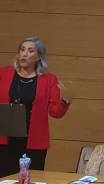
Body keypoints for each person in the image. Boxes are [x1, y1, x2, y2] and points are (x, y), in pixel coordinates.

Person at [0, 37, 71, 177]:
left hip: (33, 141)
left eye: (30, 51)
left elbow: (55, 112)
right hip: (5, 139)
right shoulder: (4, 73)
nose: (24, 54)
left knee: (32, 178)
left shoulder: (49, 79)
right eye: (22, 49)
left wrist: (64, 101)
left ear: (39, 56)